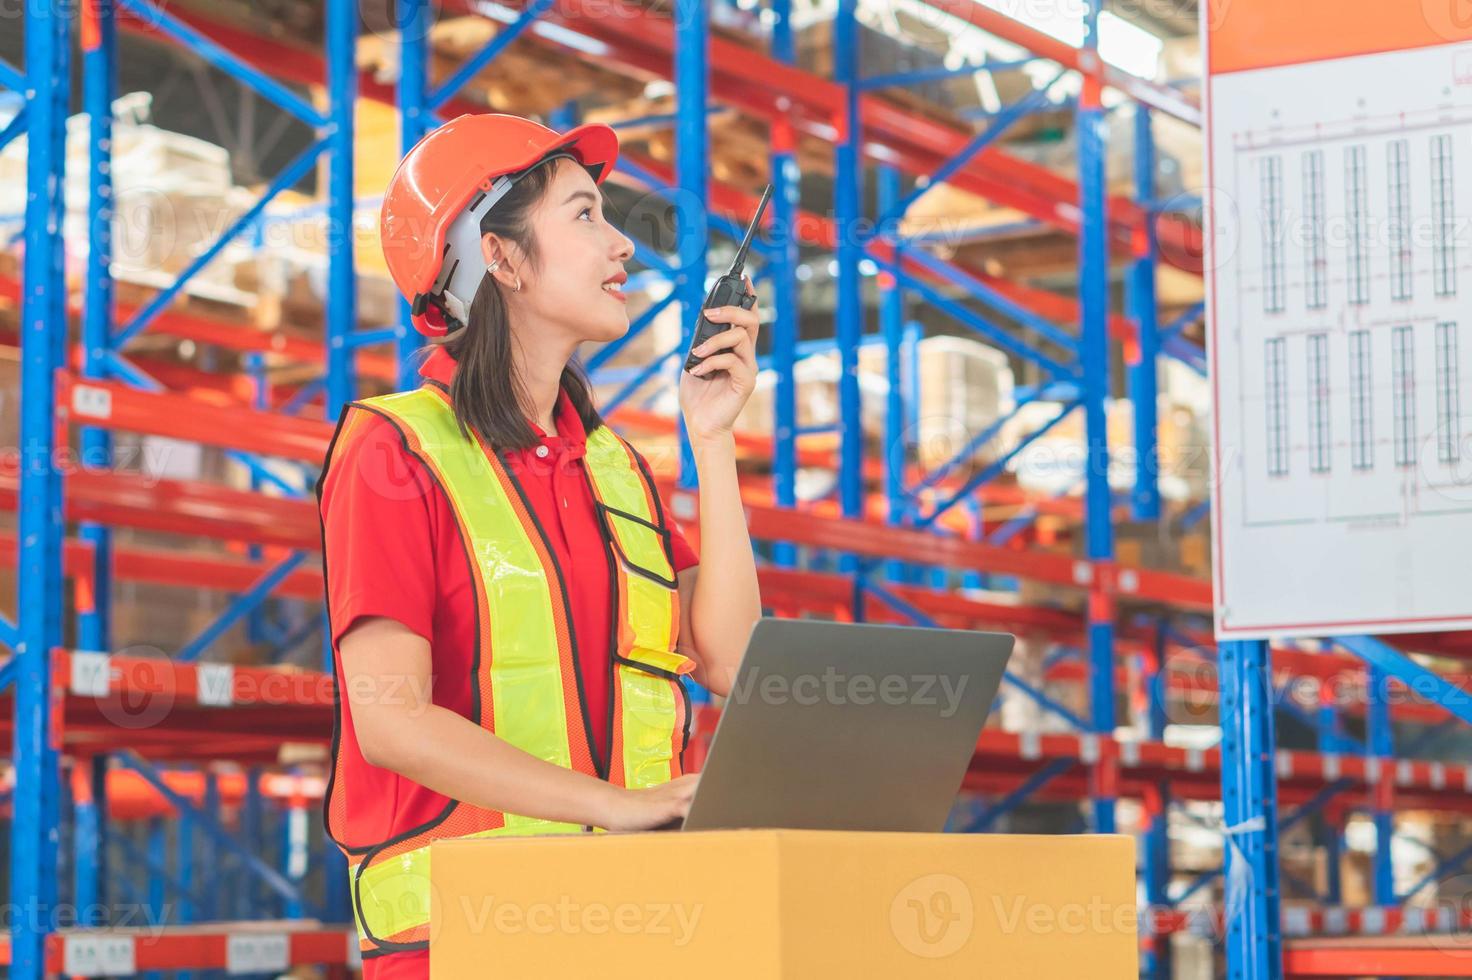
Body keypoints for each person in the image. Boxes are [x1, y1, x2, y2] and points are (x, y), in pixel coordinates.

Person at [315, 112, 763, 976]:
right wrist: (616, 806)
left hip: (631, 929)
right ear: (504, 259)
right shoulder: (393, 451)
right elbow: (390, 721)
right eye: (586, 215)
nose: (622, 246)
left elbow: (735, 665)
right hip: (463, 943)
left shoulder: (614, 466)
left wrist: (713, 442)